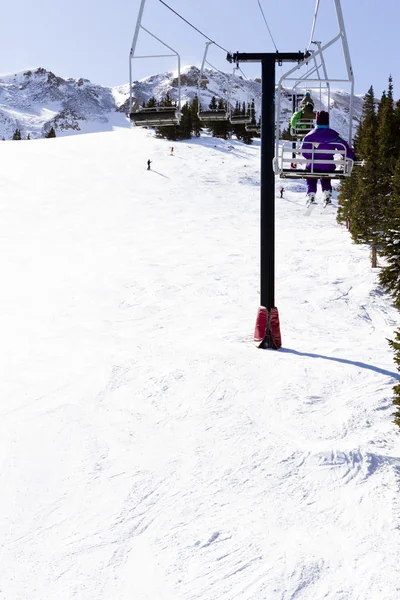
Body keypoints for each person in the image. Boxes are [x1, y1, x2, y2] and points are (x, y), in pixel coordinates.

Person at [301, 110, 354, 205]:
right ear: (327, 121)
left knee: (310, 171)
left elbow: (304, 152)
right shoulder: (334, 135)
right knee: (326, 172)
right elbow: (344, 148)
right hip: (328, 167)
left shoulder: (309, 136)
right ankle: (327, 193)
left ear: (316, 121)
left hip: (313, 166)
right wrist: (352, 157)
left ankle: (311, 194)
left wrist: (311, 157)